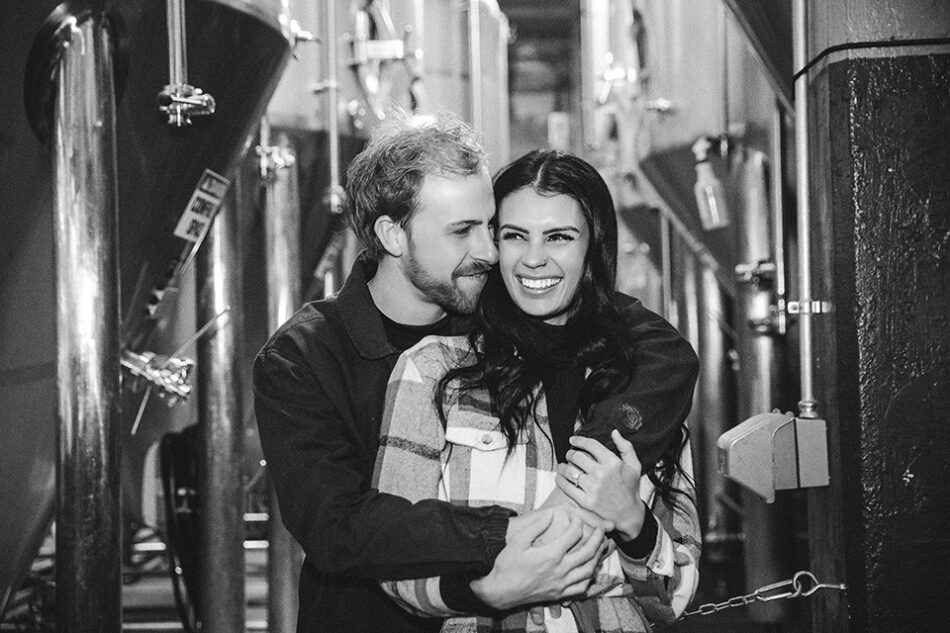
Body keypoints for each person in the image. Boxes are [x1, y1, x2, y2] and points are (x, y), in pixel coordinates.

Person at [253, 113, 698, 633]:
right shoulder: (303, 357)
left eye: (490, 227)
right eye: (464, 231)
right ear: (393, 236)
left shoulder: (494, 306)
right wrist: (507, 538)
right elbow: (338, 527)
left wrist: (588, 484)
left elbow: (655, 346)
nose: (489, 252)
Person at [372, 149, 701, 632]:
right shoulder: (431, 370)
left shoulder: (639, 382)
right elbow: (392, 557)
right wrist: (486, 590)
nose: (533, 258)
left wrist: (634, 524)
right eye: (514, 236)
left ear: (593, 245)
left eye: (559, 237)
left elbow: (676, 597)